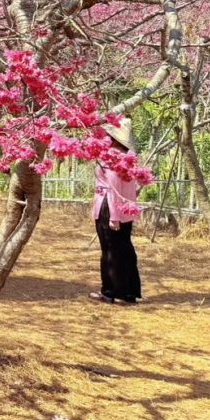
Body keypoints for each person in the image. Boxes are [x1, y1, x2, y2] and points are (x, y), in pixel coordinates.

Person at [90, 117, 142, 305]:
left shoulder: (110, 158)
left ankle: (110, 291)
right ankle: (129, 292)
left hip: (110, 207)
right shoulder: (129, 158)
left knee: (110, 250)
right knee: (126, 248)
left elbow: (112, 188)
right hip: (126, 208)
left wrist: (113, 216)